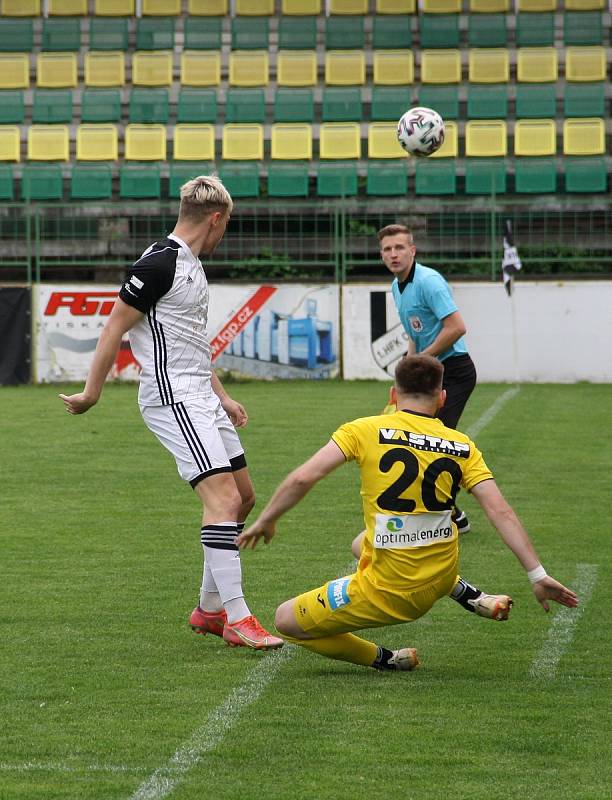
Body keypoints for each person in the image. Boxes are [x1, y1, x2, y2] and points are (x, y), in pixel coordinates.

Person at [237, 355, 578, 672]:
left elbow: (303, 477)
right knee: (361, 544)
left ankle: (385, 659)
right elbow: (499, 510)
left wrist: (267, 519)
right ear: (442, 398)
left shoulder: (363, 429)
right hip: (442, 573)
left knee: (285, 620)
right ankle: (469, 595)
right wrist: (537, 574)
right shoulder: (463, 445)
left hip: (390, 593)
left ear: (393, 393)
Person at [59, 175, 283, 652]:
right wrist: (91, 393)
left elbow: (188, 341)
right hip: (171, 395)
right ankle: (239, 618)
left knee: (242, 497)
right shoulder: (158, 263)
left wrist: (220, 394)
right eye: (227, 225)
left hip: (200, 392)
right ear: (217, 218)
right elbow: (113, 328)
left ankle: (208, 609)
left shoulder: (193, 266)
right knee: (221, 501)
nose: (225, 234)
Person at [378, 223, 477, 535]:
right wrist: (409, 363)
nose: (393, 254)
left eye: (399, 248)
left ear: (412, 250)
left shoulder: (429, 281)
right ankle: (454, 515)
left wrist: (423, 358)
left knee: (437, 443)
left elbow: (457, 327)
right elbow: (414, 333)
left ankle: (444, 513)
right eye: (387, 249)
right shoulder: (397, 286)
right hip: (427, 373)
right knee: (414, 439)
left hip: (455, 372)